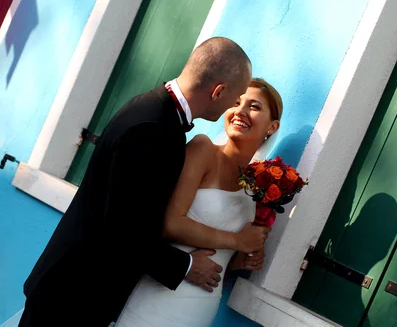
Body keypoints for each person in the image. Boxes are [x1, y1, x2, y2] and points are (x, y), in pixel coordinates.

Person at [19, 37, 261, 326]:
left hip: (78, 293)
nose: (230, 108)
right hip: (71, 295)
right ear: (218, 91)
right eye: (233, 98)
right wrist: (185, 265)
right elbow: (122, 227)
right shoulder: (150, 127)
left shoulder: (155, 114)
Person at [115, 77, 283, 327]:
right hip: (159, 299)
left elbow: (222, 259)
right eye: (236, 102)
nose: (240, 111)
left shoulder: (255, 185)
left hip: (201, 308)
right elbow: (170, 224)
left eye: (254, 106)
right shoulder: (203, 149)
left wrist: (242, 259)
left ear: (272, 127)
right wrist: (238, 240)